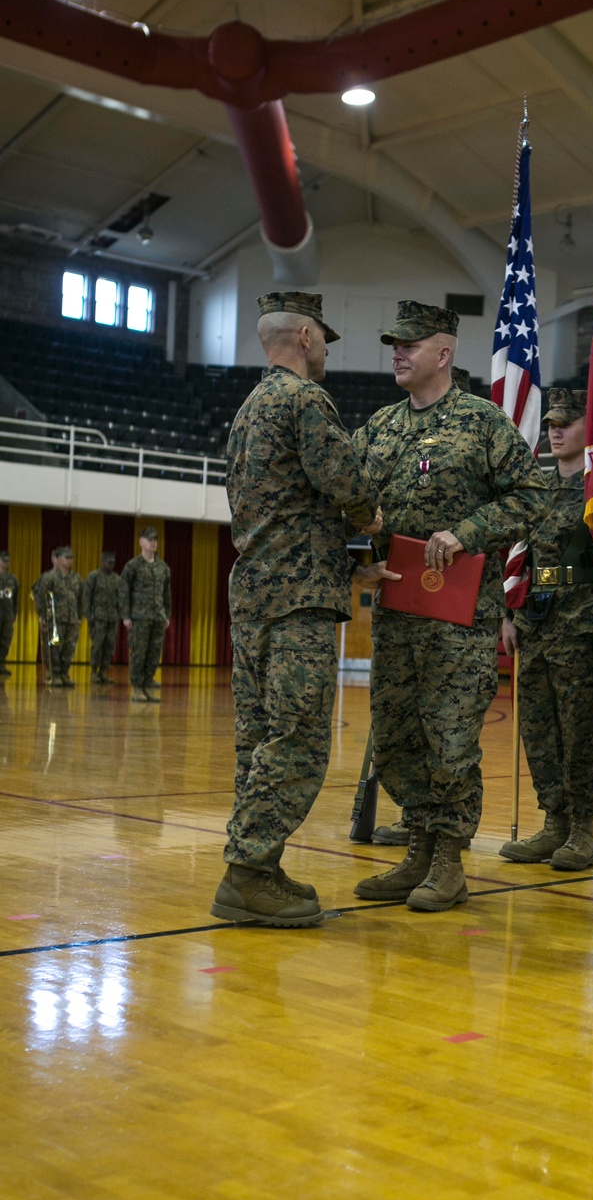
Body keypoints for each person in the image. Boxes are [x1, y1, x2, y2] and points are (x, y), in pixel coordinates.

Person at [353, 299, 548, 912]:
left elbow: (532, 496)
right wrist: (360, 544)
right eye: (394, 343)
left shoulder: (483, 423)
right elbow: (346, 495)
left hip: (460, 622)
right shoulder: (380, 427)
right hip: (396, 612)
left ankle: (447, 861)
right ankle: (416, 847)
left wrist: (469, 530)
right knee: (395, 735)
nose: (398, 353)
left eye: (410, 344)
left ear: (444, 352)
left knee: (451, 738)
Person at [211, 290, 383, 928]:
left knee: (257, 740)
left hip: (253, 591)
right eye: (326, 340)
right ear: (306, 337)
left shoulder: (248, 408)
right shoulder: (305, 400)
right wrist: (369, 522)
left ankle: (261, 866)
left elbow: (275, 504)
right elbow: (347, 485)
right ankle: (248, 870)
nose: (328, 351)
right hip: (296, 598)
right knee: (302, 739)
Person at [498, 387, 593, 870]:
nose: (556, 430)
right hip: (535, 623)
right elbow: (516, 557)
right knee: (538, 730)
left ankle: (581, 828)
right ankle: (553, 822)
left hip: (580, 623)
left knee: (579, 730)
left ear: (590, 428)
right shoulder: (534, 488)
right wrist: (508, 614)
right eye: (551, 423)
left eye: (567, 421)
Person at [119, 527, 171, 702]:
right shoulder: (132, 566)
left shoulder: (162, 567)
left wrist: (166, 615)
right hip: (139, 618)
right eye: (149, 539)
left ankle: (147, 685)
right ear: (141, 542)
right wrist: (126, 616)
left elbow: (166, 594)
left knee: (154, 653)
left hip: (157, 617)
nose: (153, 542)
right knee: (139, 653)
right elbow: (124, 591)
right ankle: (137, 688)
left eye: (155, 539)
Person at [31, 546, 84, 688]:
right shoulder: (50, 577)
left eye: (71, 558)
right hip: (54, 619)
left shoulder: (76, 578)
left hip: (71, 619)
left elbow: (81, 599)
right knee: (54, 647)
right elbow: (41, 597)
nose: (70, 560)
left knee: (69, 647)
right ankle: (53, 674)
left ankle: (64, 673)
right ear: (58, 559)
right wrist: (42, 615)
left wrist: (79, 616)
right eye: (67, 558)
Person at [82, 550, 121, 684]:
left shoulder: (117, 579)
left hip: (112, 617)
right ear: (102, 562)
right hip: (98, 616)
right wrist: (87, 614)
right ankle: (94, 671)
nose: (111, 565)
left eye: (113, 563)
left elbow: (120, 598)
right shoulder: (94, 576)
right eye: (108, 562)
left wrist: (120, 614)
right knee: (97, 644)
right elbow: (86, 596)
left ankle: (103, 671)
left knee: (109, 645)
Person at [0, 549, 18, 677]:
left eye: (8, 561)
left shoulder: (13, 579)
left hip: (7, 615)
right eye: (3, 561)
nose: (6, 563)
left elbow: (15, 598)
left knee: (5, 641)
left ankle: (1, 664)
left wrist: (14, 613)